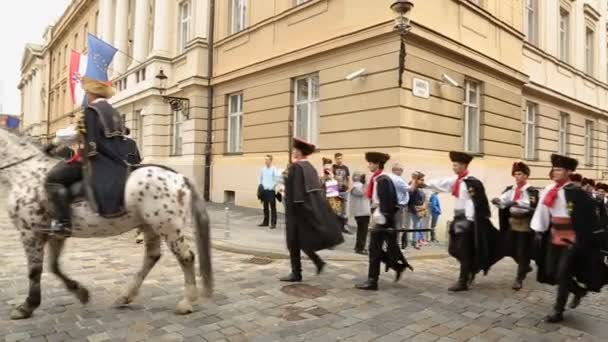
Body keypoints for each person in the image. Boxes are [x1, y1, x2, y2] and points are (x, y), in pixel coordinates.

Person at [44, 77, 130, 237]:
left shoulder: (90, 111)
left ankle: (63, 223)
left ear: (91, 93)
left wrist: (52, 144)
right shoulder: (114, 112)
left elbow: (73, 134)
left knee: (52, 179)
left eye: (87, 92)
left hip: (92, 161)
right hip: (116, 163)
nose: (86, 95)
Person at [532, 154, 602, 323]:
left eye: (560, 169)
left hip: (571, 239)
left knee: (563, 273)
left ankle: (558, 311)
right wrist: (538, 230)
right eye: (554, 169)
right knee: (550, 271)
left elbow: (589, 216)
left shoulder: (576, 192)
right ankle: (578, 291)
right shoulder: (549, 190)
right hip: (554, 236)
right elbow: (542, 211)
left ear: (569, 172)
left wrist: (583, 237)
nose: (555, 172)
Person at [423, 151, 501, 291]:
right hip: (457, 219)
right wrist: (424, 184)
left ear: (464, 165)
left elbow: (479, 203)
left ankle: (463, 280)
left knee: (464, 251)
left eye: (456, 165)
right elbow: (441, 183)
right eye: (453, 165)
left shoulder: (473, 183)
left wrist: (471, 221)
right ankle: (470, 268)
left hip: (468, 221)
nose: (453, 167)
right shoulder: (456, 180)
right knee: (453, 249)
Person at [280, 138, 344, 282]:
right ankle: (317, 262)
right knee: (301, 240)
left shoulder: (295, 168)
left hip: (296, 211)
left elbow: (296, 194)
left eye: (295, 150)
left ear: (300, 152)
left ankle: (297, 273)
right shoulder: (310, 167)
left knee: (293, 242)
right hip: (310, 209)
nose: (294, 151)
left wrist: (285, 194)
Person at [355, 152, 411, 291]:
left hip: (382, 218)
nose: (368, 165)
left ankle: (373, 280)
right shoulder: (378, 178)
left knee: (374, 249)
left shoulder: (382, 180)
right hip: (381, 217)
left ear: (377, 164)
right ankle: (397, 266)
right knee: (378, 249)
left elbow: (386, 203)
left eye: (370, 163)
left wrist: (381, 220)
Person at [492, 162, 539, 290]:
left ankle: (519, 278)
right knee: (509, 248)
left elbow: (530, 205)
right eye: (516, 174)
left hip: (525, 224)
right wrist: (498, 201)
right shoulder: (510, 189)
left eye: (520, 174)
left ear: (526, 176)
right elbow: (503, 201)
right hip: (512, 223)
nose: (517, 176)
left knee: (522, 251)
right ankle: (525, 266)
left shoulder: (531, 191)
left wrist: (515, 202)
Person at [405, 171, 426, 249]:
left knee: (418, 225)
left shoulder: (420, 188)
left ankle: (418, 240)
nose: (423, 181)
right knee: (416, 226)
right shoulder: (413, 186)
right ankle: (415, 242)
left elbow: (423, 199)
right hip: (414, 209)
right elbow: (410, 198)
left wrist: (423, 206)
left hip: (420, 209)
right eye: (421, 179)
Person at [389, 163, 410, 246]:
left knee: (399, 225)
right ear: (394, 170)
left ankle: (396, 243)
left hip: (399, 205)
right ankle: (397, 244)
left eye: (402, 170)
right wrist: (415, 181)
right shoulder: (396, 179)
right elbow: (409, 189)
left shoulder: (396, 178)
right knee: (398, 226)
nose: (401, 172)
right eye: (399, 170)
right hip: (398, 205)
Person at [350, 172, 371, 255]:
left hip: (362, 211)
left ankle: (358, 247)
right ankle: (360, 248)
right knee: (363, 231)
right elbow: (363, 193)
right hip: (362, 212)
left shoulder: (357, 185)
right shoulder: (356, 186)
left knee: (361, 231)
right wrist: (366, 183)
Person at [258, 155, 280, 228]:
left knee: (272, 207)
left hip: (271, 191)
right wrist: (261, 186)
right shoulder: (263, 169)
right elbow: (260, 179)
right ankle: (265, 222)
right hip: (264, 190)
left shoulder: (274, 169)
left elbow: (277, 180)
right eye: (265, 160)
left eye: (267, 160)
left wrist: (272, 187)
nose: (266, 161)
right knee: (265, 207)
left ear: (271, 160)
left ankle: (273, 223)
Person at [333, 152, 351, 230]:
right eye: (338, 158)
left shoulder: (345, 168)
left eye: (340, 158)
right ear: (335, 159)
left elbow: (348, 178)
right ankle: (337, 226)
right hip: (336, 191)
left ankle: (344, 226)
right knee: (336, 209)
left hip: (344, 191)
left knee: (344, 210)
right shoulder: (333, 167)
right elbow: (330, 178)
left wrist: (349, 187)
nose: (339, 160)